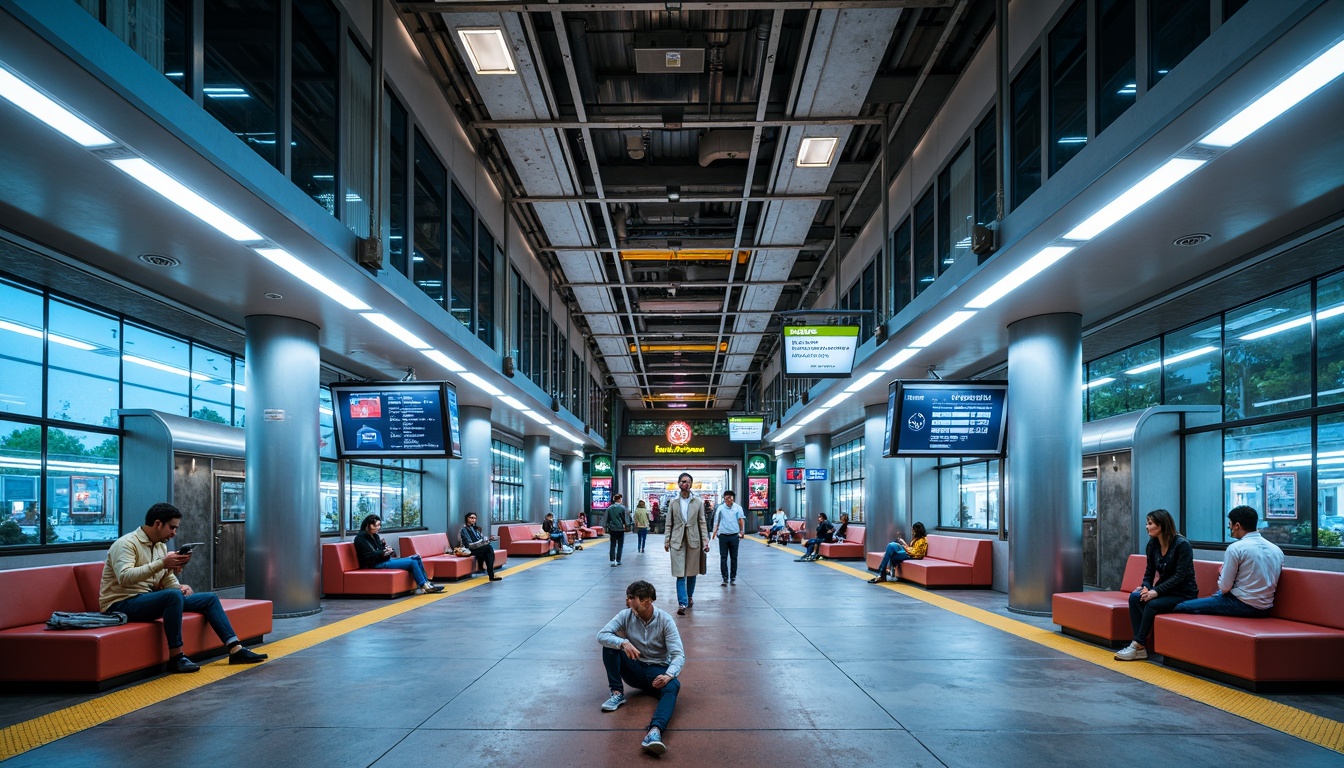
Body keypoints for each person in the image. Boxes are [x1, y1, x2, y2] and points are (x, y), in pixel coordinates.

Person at [99, 502, 268, 672]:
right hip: (120, 604)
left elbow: (165, 578)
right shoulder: (126, 544)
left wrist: (179, 587)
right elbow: (124, 577)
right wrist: (163, 564)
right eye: (172, 528)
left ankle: (235, 649)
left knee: (208, 598)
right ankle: (176, 657)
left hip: (145, 599)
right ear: (158, 524)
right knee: (172, 596)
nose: (174, 533)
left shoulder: (159, 546)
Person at [596, 579, 684, 756]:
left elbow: (678, 655)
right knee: (610, 646)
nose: (627, 601)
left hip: (656, 673)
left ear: (647, 601)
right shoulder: (625, 615)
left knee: (674, 685)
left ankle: (654, 732)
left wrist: (668, 675)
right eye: (627, 597)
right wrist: (623, 642)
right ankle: (617, 693)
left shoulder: (665, 620)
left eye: (631, 598)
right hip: (634, 669)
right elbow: (602, 635)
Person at [1115, 509, 1197, 661]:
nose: (1147, 527)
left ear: (1162, 525)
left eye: (1150, 523)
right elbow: (1149, 572)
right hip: (1164, 590)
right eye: (1147, 523)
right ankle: (1139, 645)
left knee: (1152, 604)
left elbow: (1180, 576)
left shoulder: (1182, 545)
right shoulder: (1153, 544)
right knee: (1135, 597)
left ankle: (1138, 644)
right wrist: (1146, 586)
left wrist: (1156, 591)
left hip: (1183, 592)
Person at [1174, 505, 1285, 618]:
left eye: (1230, 524)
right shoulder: (1277, 550)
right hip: (1266, 607)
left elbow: (1224, 587)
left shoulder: (1236, 548)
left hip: (1242, 604)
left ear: (1237, 525)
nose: (1229, 527)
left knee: (1182, 606)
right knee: (1214, 599)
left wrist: (1223, 573)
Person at [354, 514, 444, 594]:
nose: (377, 528)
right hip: (375, 564)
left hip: (384, 560)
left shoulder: (375, 536)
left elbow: (379, 550)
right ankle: (424, 586)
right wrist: (383, 552)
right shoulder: (360, 539)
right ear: (367, 525)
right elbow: (368, 555)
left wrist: (387, 550)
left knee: (416, 557)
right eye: (374, 525)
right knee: (412, 562)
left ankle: (427, 583)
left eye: (378, 525)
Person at [664, 472, 709, 615]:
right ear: (679, 484)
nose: (686, 484)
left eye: (689, 481)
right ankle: (682, 603)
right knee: (680, 573)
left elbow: (702, 522)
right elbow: (668, 523)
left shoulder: (698, 502)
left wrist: (705, 540)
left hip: (693, 540)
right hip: (677, 541)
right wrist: (667, 540)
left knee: (691, 572)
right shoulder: (673, 502)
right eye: (683, 481)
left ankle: (690, 596)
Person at [711, 490, 746, 585]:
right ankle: (725, 578)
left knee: (734, 557)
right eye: (726, 498)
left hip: (734, 535)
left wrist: (742, 531)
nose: (728, 500)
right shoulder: (721, 508)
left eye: (730, 498)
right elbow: (717, 521)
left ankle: (733, 577)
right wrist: (714, 532)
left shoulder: (738, 508)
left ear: (733, 498)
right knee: (723, 557)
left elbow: (740, 520)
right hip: (723, 535)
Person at [458, 512, 502, 581]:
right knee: (489, 548)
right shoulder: (464, 530)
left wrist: (488, 540)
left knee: (488, 549)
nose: (473, 520)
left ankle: (491, 574)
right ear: (467, 518)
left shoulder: (474, 529)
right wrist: (484, 543)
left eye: (475, 518)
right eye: (471, 518)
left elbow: (480, 540)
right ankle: (491, 574)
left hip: (475, 548)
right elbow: (470, 545)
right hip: (468, 550)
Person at [606, 494, 632, 567]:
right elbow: (626, 519)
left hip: (612, 529)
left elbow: (606, 519)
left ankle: (612, 560)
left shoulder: (609, 508)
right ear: (620, 499)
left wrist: (606, 526)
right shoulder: (623, 508)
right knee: (620, 545)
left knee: (612, 544)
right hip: (620, 529)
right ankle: (618, 560)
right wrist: (627, 526)